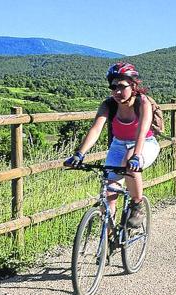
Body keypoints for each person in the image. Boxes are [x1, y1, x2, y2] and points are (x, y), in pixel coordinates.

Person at [64, 62, 160, 228]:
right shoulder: (108, 105)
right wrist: (79, 154)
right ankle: (108, 243)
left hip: (145, 143)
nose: (117, 91)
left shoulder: (142, 103)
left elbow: (141, 132)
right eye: (113, 86)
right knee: (108, 195)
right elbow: (95, 130)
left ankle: (137, 206)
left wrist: (136, 156)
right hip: (118, 145)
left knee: (129, 160)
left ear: (133, 86)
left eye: (122, 87)